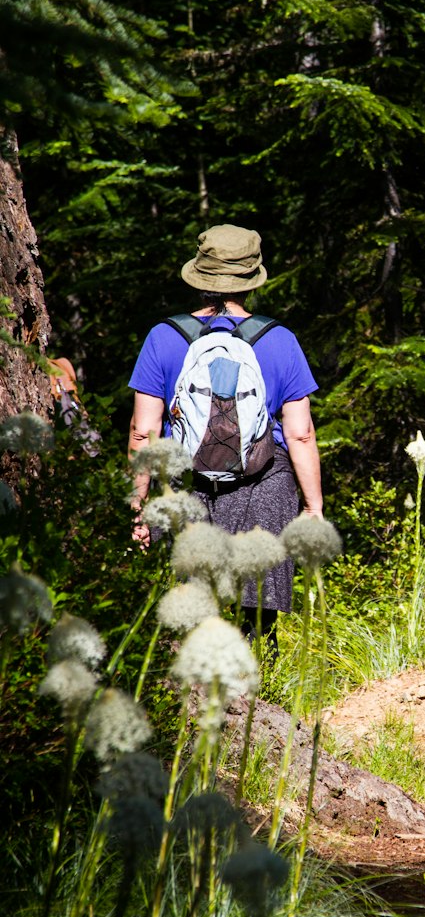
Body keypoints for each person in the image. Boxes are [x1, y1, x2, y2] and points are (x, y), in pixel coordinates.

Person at [127, 224, 323, 641]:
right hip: (264, 481)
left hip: (183, 487)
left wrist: (137, 506)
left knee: (185, 606)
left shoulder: (164, 337)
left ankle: (182, 699)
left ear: (199, 278)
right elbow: (301, 433)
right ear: (251, 280)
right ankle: (257, 697)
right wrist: (313, 506)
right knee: (256, 614)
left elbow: (143, 432)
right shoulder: (280, 340)